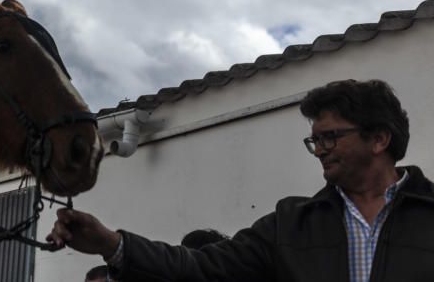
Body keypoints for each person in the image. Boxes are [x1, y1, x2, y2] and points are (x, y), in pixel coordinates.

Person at [48, 79, 434, 281]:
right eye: (315, 140)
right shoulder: (290, 224)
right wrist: (111, 244)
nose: (320, 150)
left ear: (379, 139)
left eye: (330, 137)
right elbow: (197, 268)